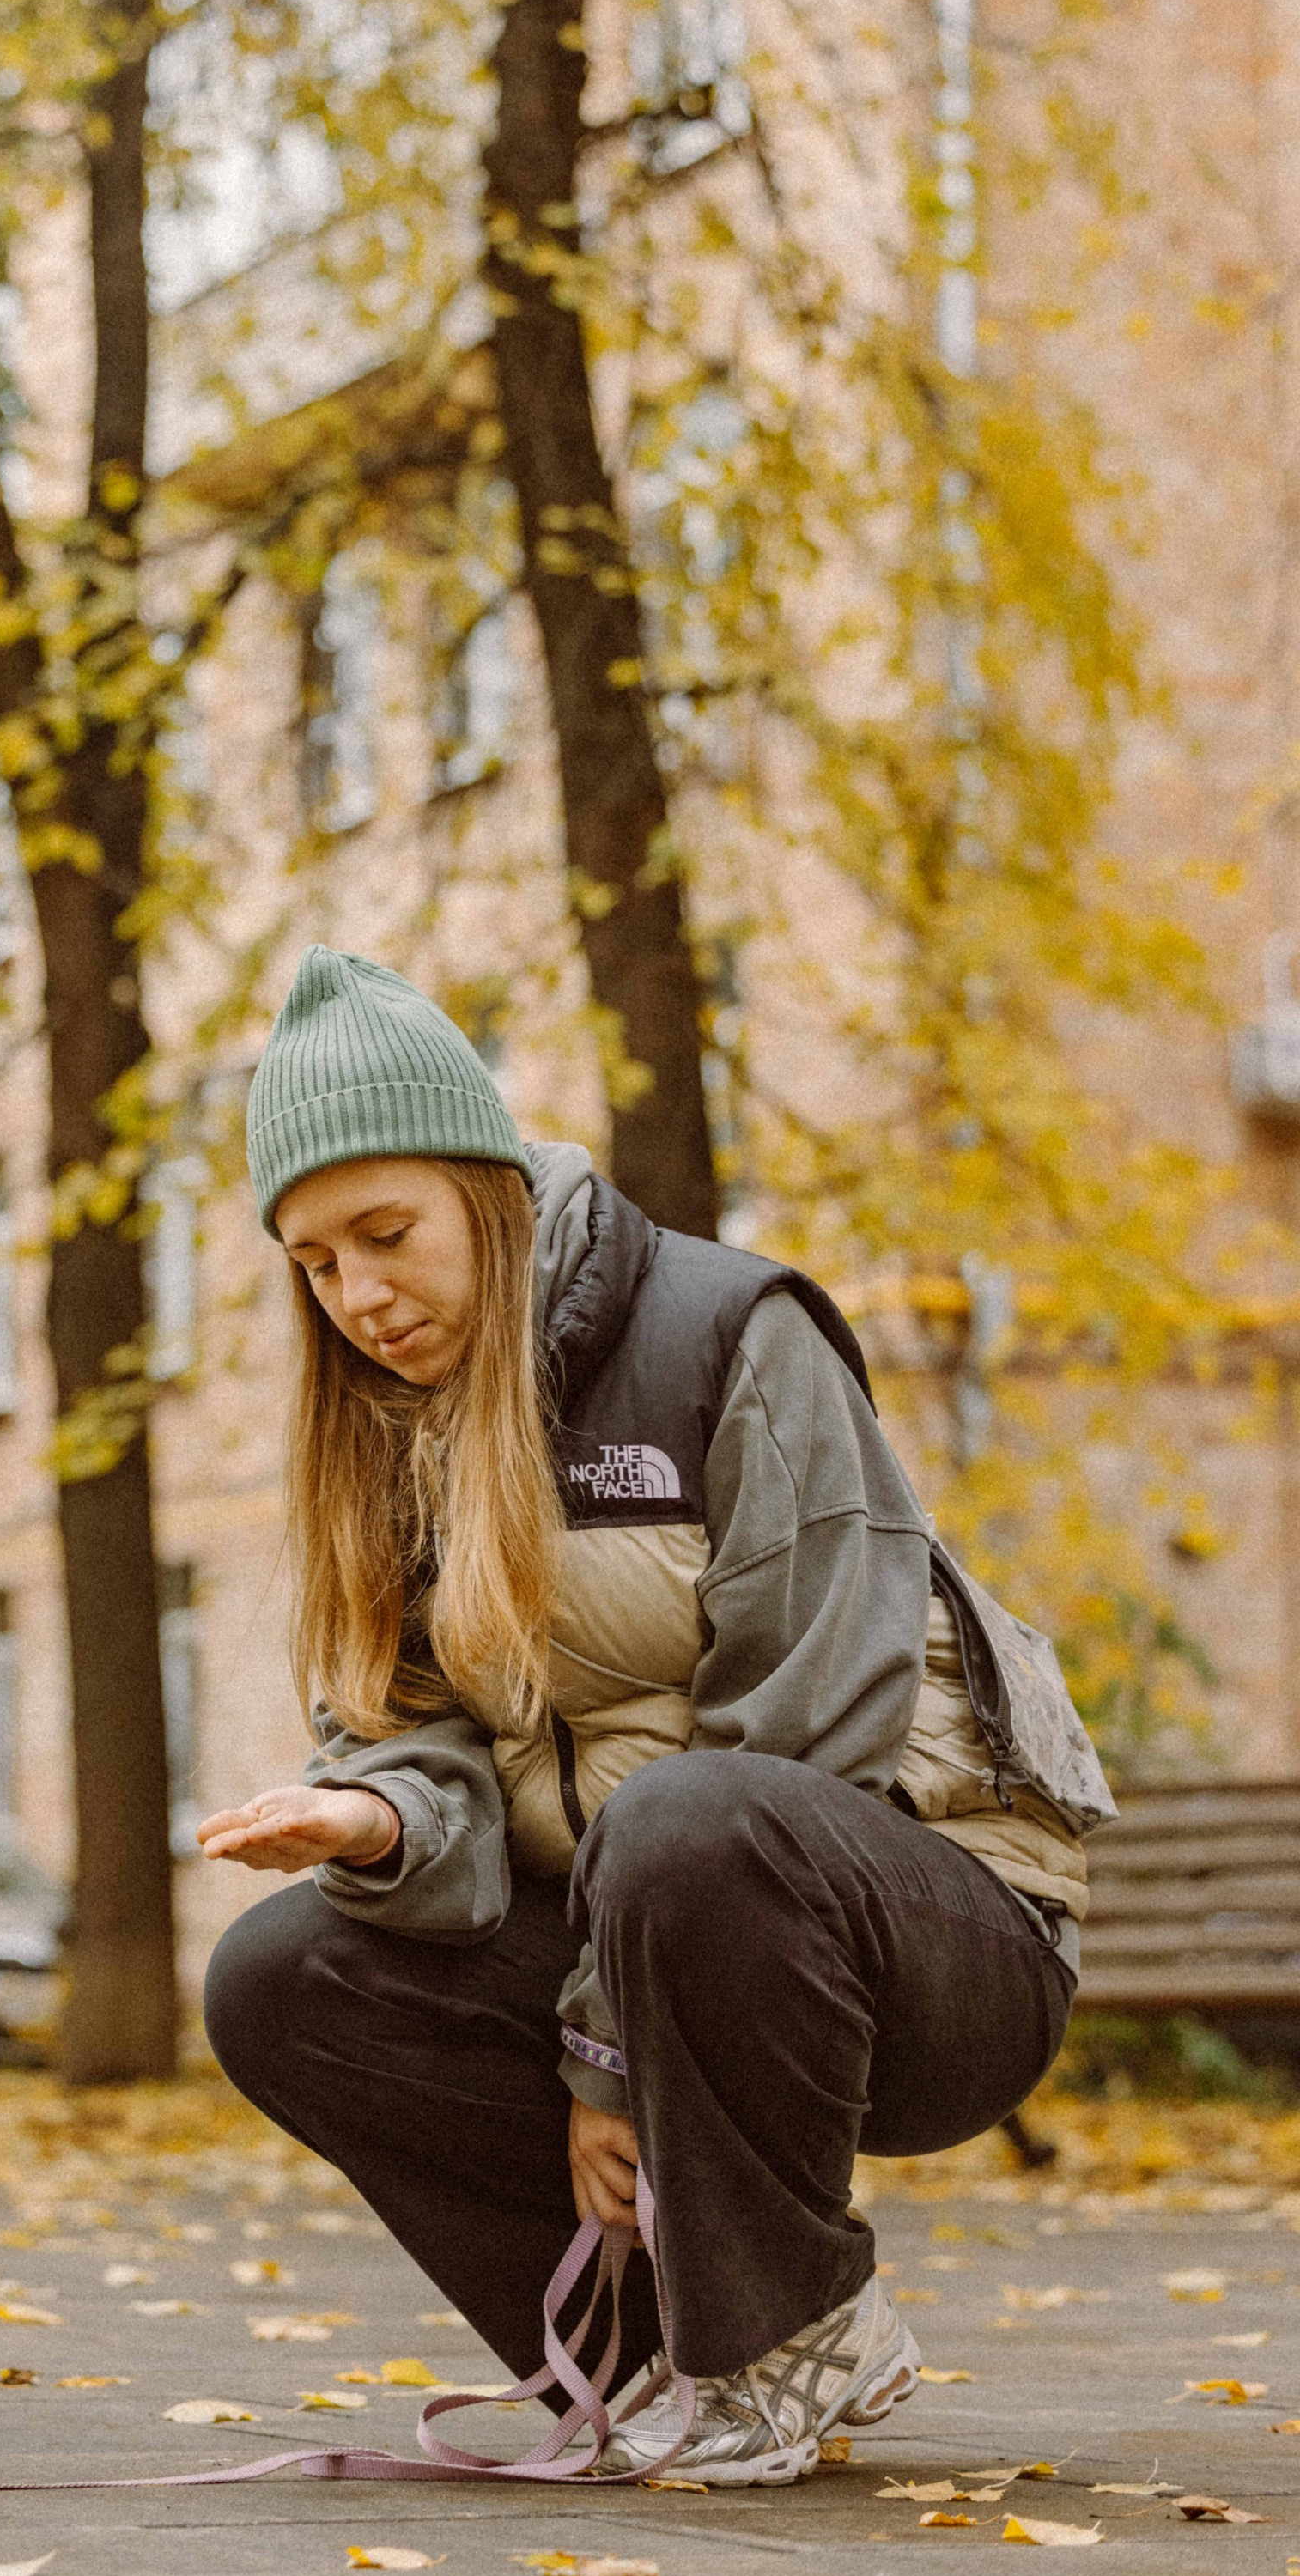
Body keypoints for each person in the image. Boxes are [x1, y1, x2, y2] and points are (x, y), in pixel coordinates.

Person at [198, 946, 1108, 2482]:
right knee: (278, 1976)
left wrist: (602, 2058)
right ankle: (646, 2364)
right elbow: (419, 1731)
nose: (359, 1295)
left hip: (932, 1935)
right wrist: (376, 1815)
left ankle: (792, 2325)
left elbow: (809, 1727)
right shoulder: (387, 1428)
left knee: (685, 1817)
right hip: (635, 1938)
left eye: (387, 1234)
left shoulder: (729, 1332)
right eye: (316, 1263)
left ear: (487, 1186)